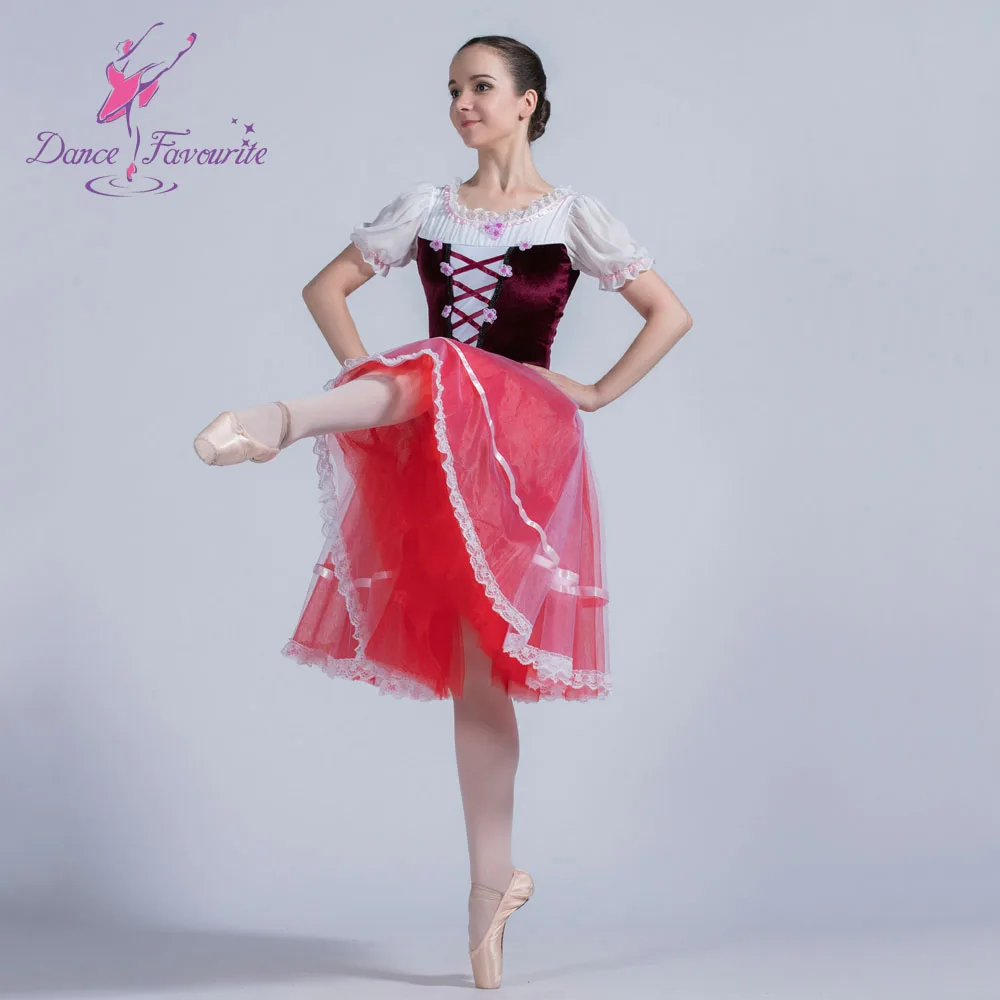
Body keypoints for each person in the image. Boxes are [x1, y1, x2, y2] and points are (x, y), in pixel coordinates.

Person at [193, 34, 692, 990]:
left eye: (481, 87)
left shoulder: (573, 215)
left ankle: (282, 421)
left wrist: (594, 391)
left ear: (527, 102)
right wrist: (371, 385)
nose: (463, 102)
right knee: (475, 669)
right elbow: (326, 289)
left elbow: (669, 312)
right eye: (454, 88)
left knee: (443, 363)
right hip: (436, 435)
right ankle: (490, 887)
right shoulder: (427, 208)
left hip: (524, 440)